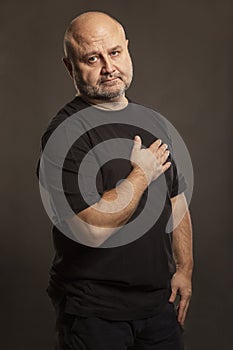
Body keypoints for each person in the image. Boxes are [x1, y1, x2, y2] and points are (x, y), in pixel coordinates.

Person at [37, 11, 193, 350]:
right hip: (95, 313)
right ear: (70, 67)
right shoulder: (65, 135)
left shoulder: (152, 121)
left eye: (115, 52)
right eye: (93, 58)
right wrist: (141, 173)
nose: (108, 67)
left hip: (158, 309)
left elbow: (175, 199)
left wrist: (184, 270)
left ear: (127, 49)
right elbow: (92, 229)